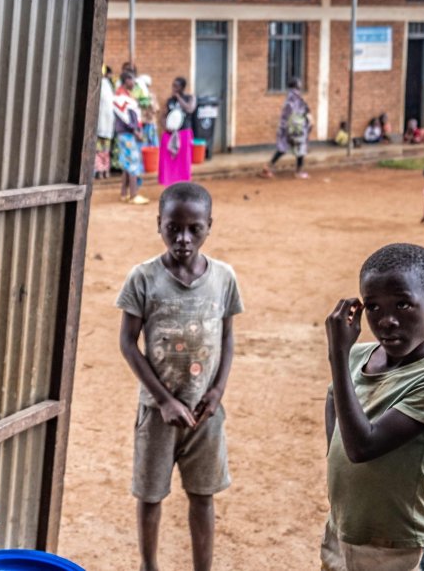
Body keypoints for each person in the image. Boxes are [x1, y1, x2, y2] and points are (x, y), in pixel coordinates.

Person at [116, 182, 244, 571]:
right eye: (173, 227)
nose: (184, 238)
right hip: (157, 413)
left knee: (203, 495)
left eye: (194, 228)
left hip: (206, 413)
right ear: (159, 224)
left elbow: (227, 336)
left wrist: (218, 391)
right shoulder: (143, 279)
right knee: (150, 495)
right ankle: (148, 566)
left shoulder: (223, 278)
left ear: (209, 226)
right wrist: (165, 400)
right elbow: (127, 343)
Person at [321, 243, 424, 571]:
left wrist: (337, 357)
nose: (386, 321)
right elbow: (334, 402)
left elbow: (361, 447)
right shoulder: (358, 357)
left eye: (403, 304)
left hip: (401, 548)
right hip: (344, 531)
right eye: (372, 307)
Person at [261, 76, 311, 179]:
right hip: (293, 127)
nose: (300, 85)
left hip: (289, 127)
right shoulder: (294, 97)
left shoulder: (292, 96)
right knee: (299, 148)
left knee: (283, 148)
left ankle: (267, 167)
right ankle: (298, 172)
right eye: (299, 84)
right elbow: (298, 111)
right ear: (296, 85)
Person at [114, 71, 149, 205]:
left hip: (126, 133)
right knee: (133, 163)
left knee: (127, 164)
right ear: (126, 80)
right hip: (127, 134)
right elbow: (126, 119)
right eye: (132, 80)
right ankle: (133, 195)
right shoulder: (121, 96)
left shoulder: (124, 95)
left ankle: (124, 193)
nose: (134, 83)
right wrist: (136, 131)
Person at [159, 76, 196, 186]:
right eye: (173, 86)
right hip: (170, 134)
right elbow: (162, 116)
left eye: (176, 86)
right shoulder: (169, 101)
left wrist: (179, 98)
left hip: (184, 134)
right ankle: (169, 183)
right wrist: (165, 126)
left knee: (184, 161)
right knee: (169, 161)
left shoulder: (190, 98)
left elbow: (190, 109)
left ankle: (183, 184)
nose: (174, 89)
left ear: (182, 88)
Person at [96, 64, 115, 179]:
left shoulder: (106, 85)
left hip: (106, 124)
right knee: (100, 150)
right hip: (101, 124)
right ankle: (101, 170)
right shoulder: (104, 85)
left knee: (104, 150)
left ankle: (104, 170)